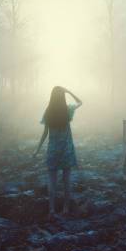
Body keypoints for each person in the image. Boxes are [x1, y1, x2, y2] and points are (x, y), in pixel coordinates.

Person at [34, 86, 82, 220]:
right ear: (63, 96)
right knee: (67, 181)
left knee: (52, 181)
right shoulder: (68, 109)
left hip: (53, 150)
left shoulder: (48, 112)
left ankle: (52, 210)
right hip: (66, 150)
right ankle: (66, 209)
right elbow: (80, 102)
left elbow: (44, 134)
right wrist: (69, 91)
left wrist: (36, 150)